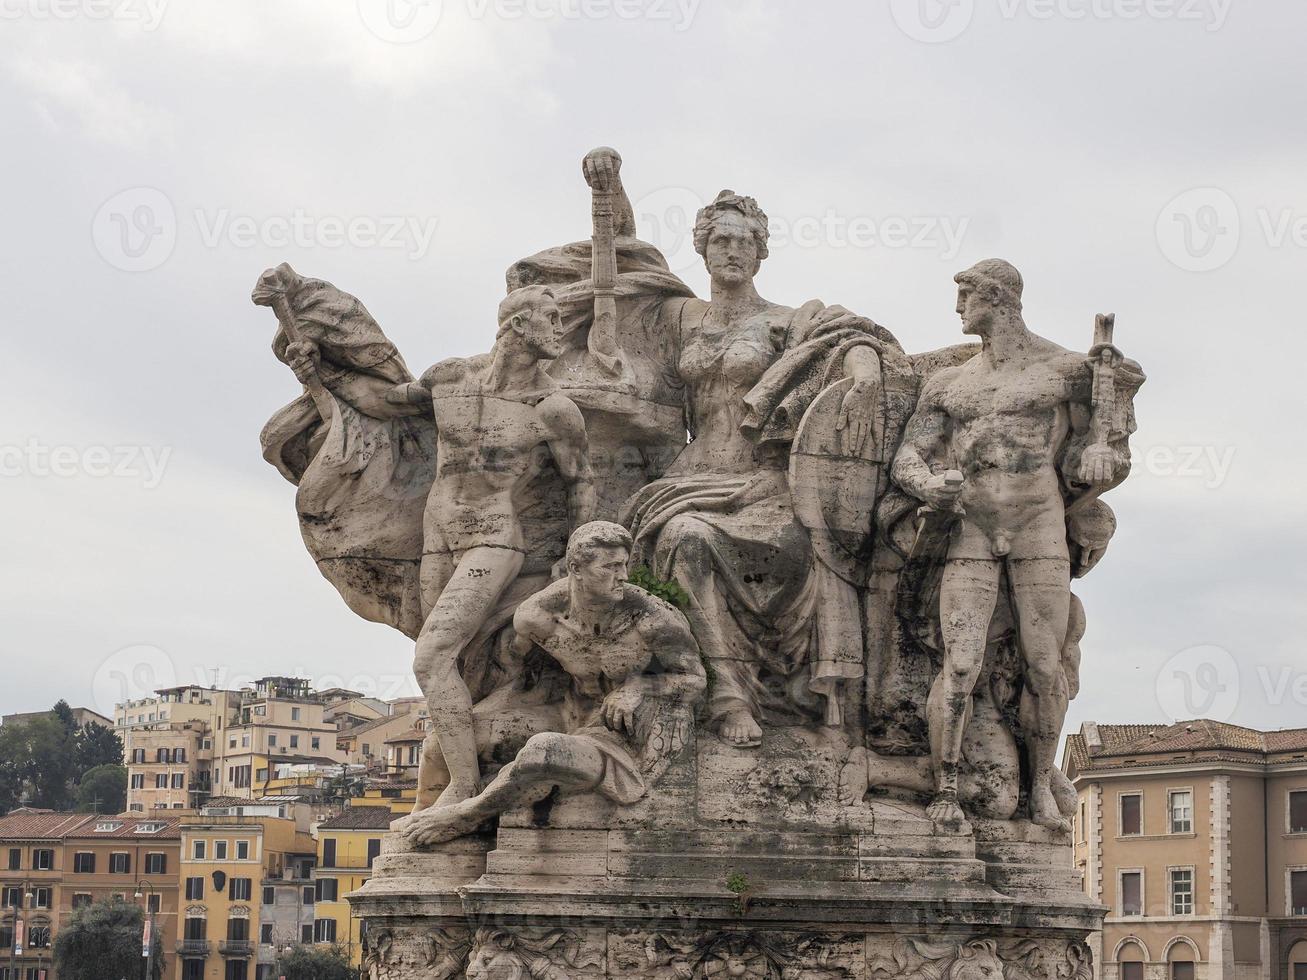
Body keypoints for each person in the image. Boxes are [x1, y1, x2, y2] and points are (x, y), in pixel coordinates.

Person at [890, 259, 1143, 831]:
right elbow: (908, 455)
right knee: (958, 664)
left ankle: (1039, 788)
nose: (959, 308)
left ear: (999, 298)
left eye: (966, 296)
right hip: (972, 530)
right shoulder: (950, 385)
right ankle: (946, 785)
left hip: (1039, 528)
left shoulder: (1062, 368)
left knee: (1045, 666)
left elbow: (1118, 406)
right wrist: (931, 484)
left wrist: (1107, 441)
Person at [365, 285, 597, 812]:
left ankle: (464, 789)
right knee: (455, 661)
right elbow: (385, 402)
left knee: (432, 658)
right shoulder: (450, 377)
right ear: (517, 324)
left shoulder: (554, 408)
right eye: (552, 318)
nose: (561, 330)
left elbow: (582, 481)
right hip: (436, 536)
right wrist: (315, 371)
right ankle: (457, 764)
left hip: (494, 538)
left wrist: (572, 553)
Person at [393, 521, 705, 847]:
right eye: (611, 567)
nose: (623, 576)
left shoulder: (653, 619)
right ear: (576, 568)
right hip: (568, 713)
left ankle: (466, 816)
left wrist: (639, 688)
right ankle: (421, 818)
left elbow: (694, 678)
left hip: (622, 732)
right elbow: (513, 676)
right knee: (448, 742)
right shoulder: (536, 617)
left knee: (545, 750)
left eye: (624, 564)